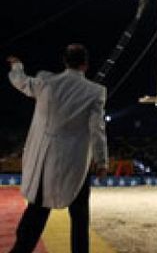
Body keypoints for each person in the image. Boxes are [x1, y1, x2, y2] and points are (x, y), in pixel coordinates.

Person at [7, 44, 108, 253]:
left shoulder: (46, 82)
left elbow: (21, 81)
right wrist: (102, 161)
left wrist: (17, 66)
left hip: (45, 162)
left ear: (65, 61)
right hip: (77, 166)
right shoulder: (96, 92)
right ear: (85, 65)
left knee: (36, 213)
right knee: (80, 219)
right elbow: (97, 130)